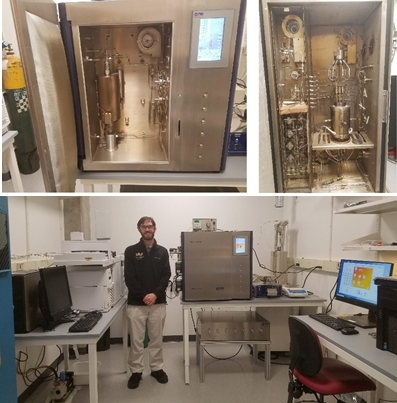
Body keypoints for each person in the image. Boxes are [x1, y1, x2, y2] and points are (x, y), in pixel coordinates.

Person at [124, 216, 171, 390]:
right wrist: (145, 295)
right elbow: (129, 278)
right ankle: (136, 372)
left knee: (156, 339)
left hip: (158, 303)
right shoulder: (130, 251)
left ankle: (157, 369)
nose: (147, 229)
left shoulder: (162, 252)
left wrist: (155, 295)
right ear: (139, 230)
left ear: (155, 229)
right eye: (144, 227)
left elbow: (166, 276)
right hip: (137, 304)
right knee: (136, 341)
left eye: (150, 226)